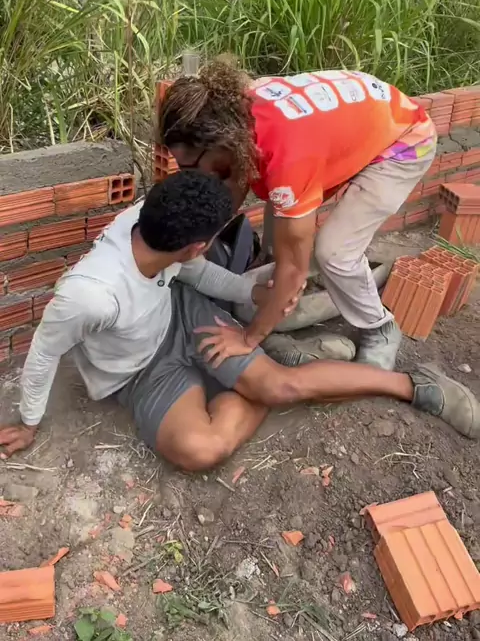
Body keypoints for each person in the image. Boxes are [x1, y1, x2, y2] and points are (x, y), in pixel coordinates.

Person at [0, 171, 478, 467]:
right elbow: (43, 352)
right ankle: (270, 367)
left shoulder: (153, 221)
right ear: (197, 243)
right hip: (140, 374)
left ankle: (415, 386)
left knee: (280, 388)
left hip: (184, 317)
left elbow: (195, 273)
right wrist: (29, 422)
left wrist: (251, 291)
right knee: (201, 450)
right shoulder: (91, 296)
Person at [158, 61, 438, 370]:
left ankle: (379, 327)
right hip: (355, 123)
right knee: (286, 230)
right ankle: (294, 278)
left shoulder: (287, 158)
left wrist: (249, 338)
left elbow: (292, 266)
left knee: (334, 252)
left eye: (190, 166)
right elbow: (231, 181)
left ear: (220, 144)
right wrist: (206, 235)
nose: (190, 175)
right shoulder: (231, 111)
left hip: (404, 142)